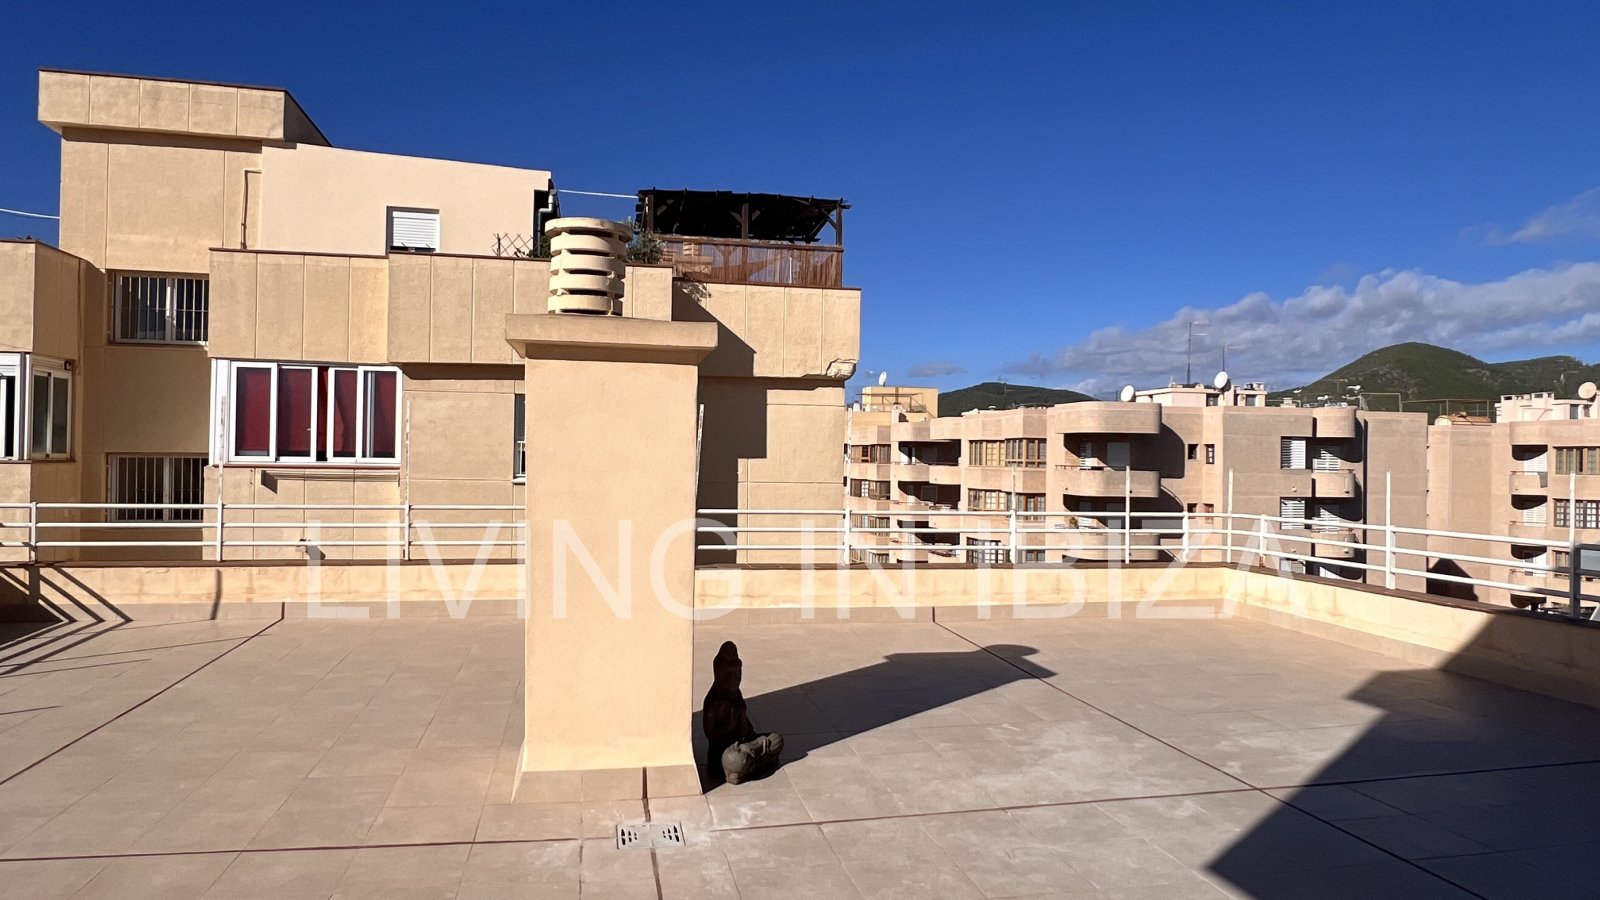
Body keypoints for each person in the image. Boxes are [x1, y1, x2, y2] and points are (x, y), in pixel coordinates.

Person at [701, 641, 783, 784]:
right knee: (736, 760)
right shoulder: (713, 702)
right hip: (726, 752)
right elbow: (710, 734)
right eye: (730, 677)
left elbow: (745, 731)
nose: (735, 680)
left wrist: (756, 741)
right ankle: (742, 767)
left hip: (745, 745)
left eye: (738, 676)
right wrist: (731, 727)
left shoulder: (736, 697)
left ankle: (744, 768)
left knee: (777, 739)